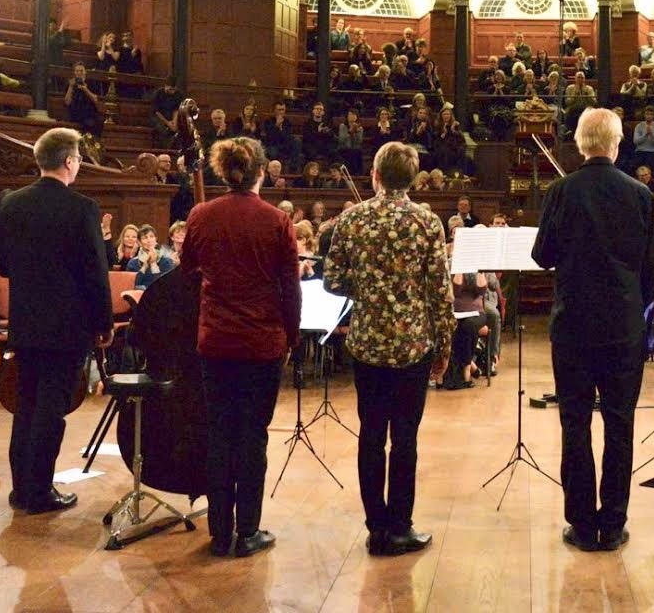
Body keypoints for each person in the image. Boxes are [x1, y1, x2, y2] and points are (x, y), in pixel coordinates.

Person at [533, 108, 654, 552]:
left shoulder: (561, 191)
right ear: (617, 144)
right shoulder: (639, 194)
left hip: (573, 326)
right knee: (620, 424)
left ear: (581, 144)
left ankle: (582, 524)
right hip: (622, 327)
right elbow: (651, 270)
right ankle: (614, 523)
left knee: (575, 423)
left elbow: (542, 256)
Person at [326, 142, 452, 557]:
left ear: (375, 176)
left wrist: (367, 286)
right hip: (413, 345)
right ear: (413, 178)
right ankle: (400, 526)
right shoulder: (427, 221)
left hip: (367, 344)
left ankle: (375, 526)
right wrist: (445, 344)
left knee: (371, 435)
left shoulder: (353, 218)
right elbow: (440, 291)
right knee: (405, 438)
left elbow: (332, 281)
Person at [180, 136, 300, 557]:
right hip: (262, 343)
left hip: (215, 341)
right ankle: (248, 532)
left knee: (219, 435)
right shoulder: (277, 220)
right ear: (261, 172)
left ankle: (218, 533)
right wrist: (292, 335)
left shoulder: (201, 215)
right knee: (253, 436)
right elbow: (290, 288)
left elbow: (188, 268)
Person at [0, 128, 112, 513]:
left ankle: (21, 489)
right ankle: (40, 491)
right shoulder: (82, 208)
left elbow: (3, 265)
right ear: (70, 162)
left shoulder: (11, 204)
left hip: (26, 321)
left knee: (26, 404)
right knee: (50, 409)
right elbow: (96, 272)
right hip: (67, 326)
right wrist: (104, 322)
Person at [125, 224, 176, 288]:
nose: (149, 240)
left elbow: (164, 286)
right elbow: (131, 285)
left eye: (151, 237)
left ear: (156, 239)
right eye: (145, 238)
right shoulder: (133, 263)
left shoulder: (167, 261)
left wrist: (153, 264)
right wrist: (144, 267)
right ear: (139, 242)